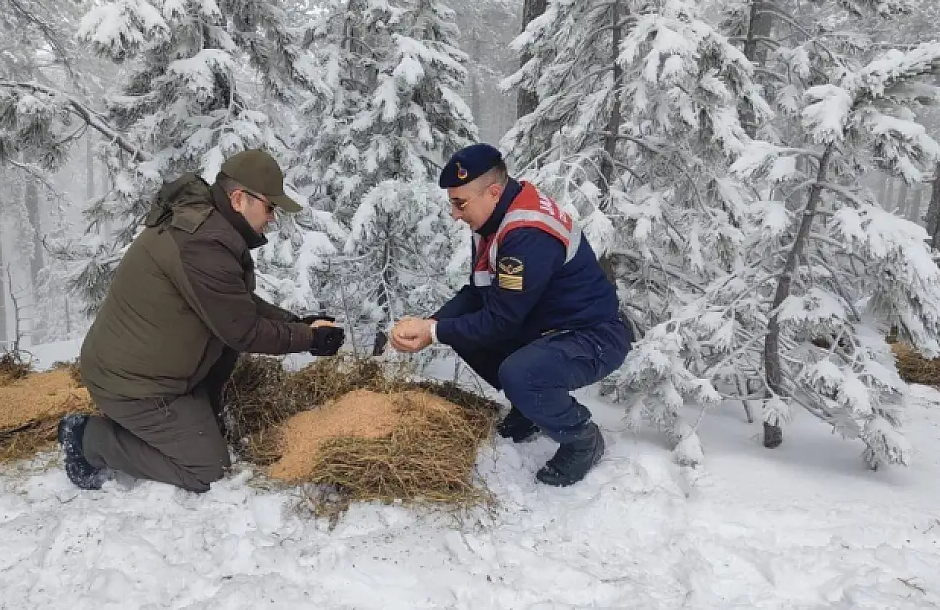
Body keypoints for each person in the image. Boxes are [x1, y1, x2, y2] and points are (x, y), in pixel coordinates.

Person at [58, 149, 346, 492]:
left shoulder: (207, 226)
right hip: (133, 386)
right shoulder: (203, 243)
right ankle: (89, 439)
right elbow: (243, 330)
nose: (272, 218)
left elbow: (232, 303)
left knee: (222, 344)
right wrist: (308, 339)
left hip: (152, 371)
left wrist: (297, 322)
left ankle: (195, 416)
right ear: (239, 199)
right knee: (206, 469)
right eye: (270, 207)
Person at [390, 143, 630, 487]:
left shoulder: (526, 233)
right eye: (451, 203)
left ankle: (582, 439)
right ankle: (529, 409)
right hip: (546, 326)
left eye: (460, 203)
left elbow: (501, 321)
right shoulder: (494, 218)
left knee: (519, 372)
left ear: (492, 191)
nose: (454, 214)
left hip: (592, 335)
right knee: (460, 333)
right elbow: (478, 291)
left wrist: (433, 332)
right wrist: (432, 324)